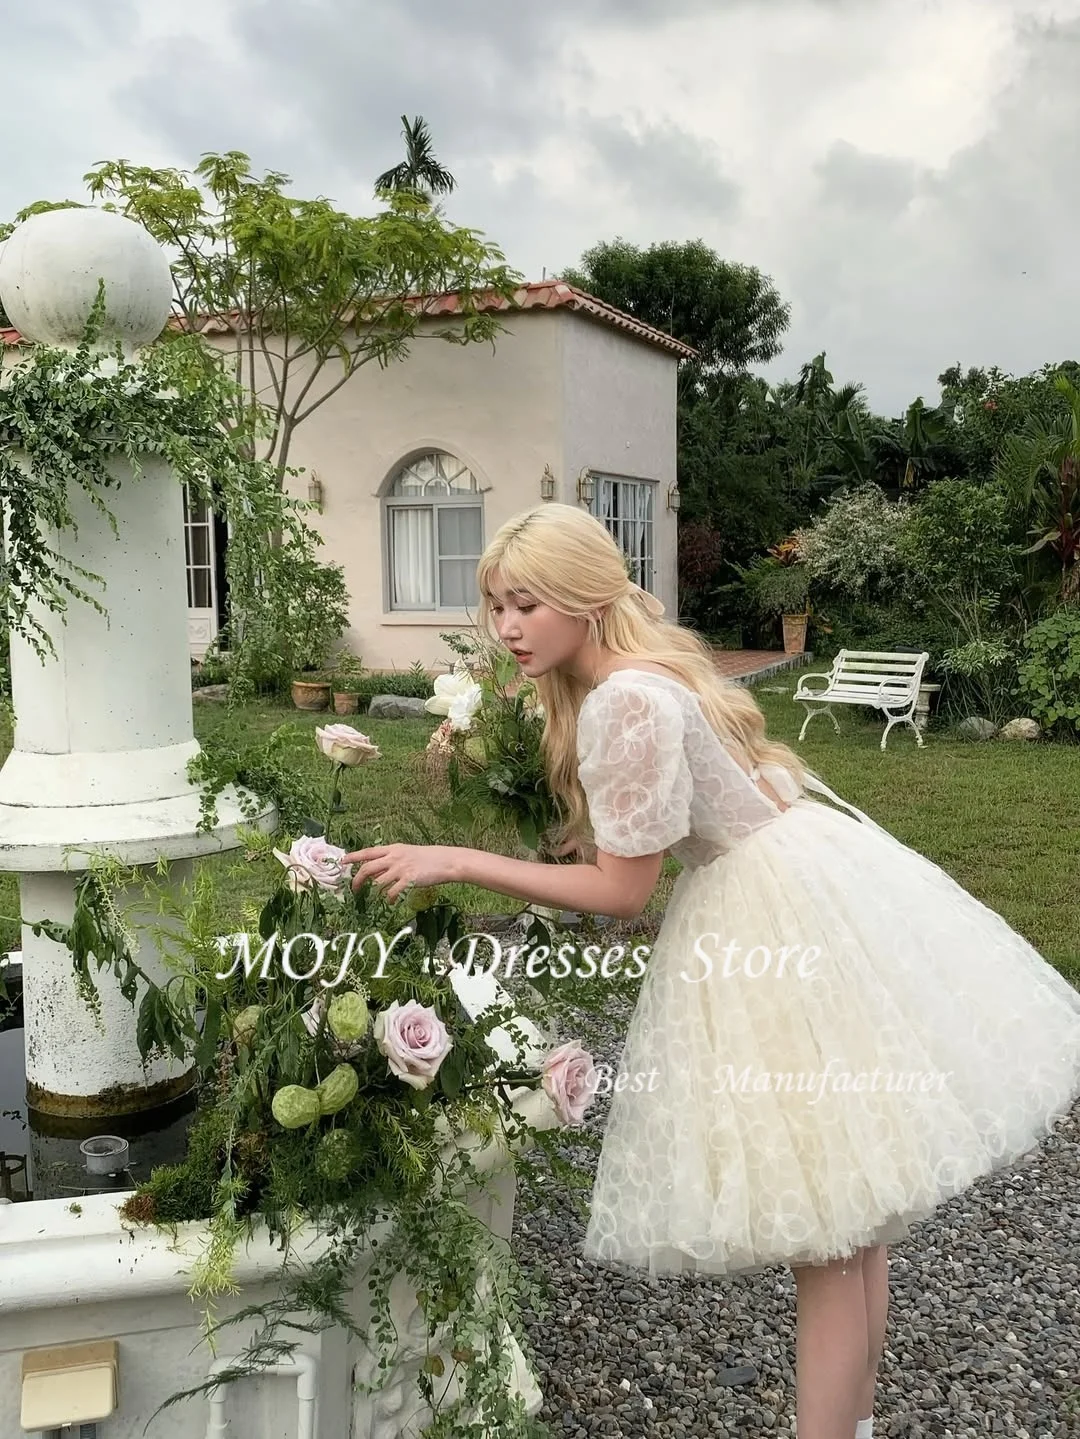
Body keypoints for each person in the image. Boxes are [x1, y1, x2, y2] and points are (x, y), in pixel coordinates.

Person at [346, 503, 1080, 1439]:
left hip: (769, 913)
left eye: (528, 604)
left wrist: (455, 858)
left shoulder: (623, 699)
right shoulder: (642, 673)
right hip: (808, 879)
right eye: (497, 607)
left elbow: (623, 892)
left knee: (830, 1231)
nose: (508, 628)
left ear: (584, 597)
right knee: (853, 1223)